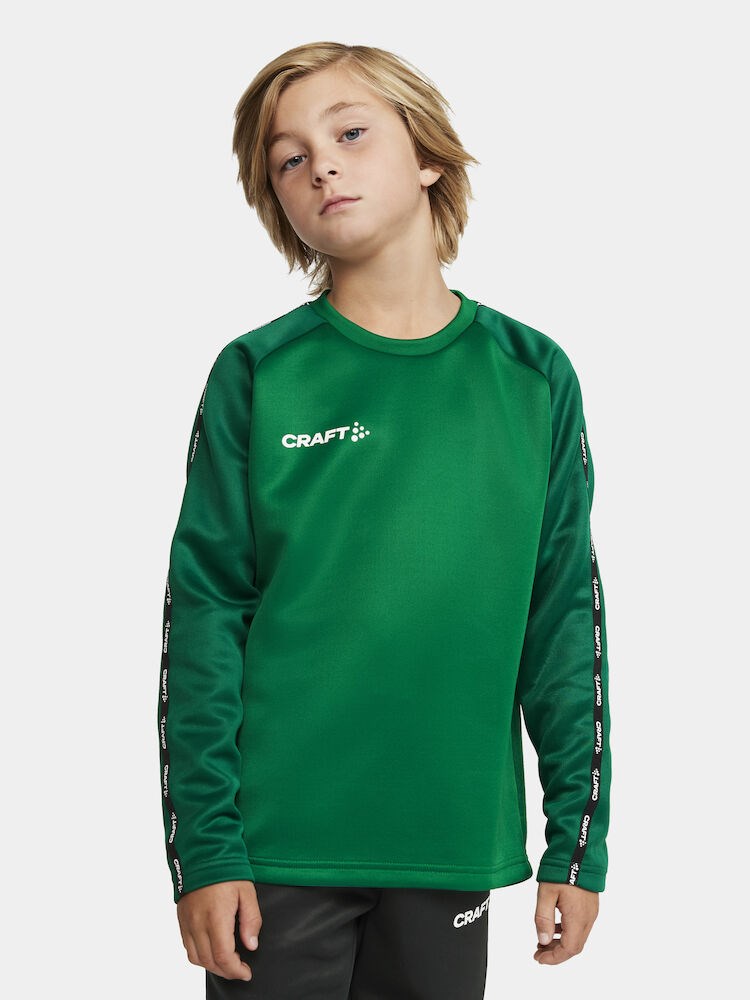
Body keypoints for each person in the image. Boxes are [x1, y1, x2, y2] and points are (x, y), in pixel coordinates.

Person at [157, 41, 612, 998]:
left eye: (351, 134)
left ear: (429, 157)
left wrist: (576, 841)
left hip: (448, 842)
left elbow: (564, 617)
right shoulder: (259, 374)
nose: (321, 165)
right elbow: (203, 619)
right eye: (290, 158)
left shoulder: (532, 376)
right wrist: (206, 850)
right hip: (276, 854)